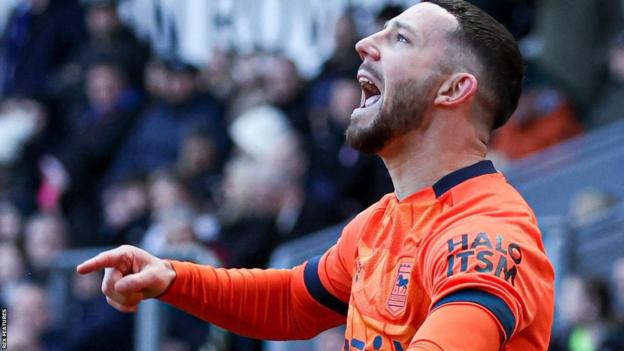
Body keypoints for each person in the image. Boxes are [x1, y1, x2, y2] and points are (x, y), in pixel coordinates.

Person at [77, 1, 555, 350]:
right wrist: (171, 278)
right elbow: (290, 301)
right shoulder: (380, 221)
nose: (364, 44)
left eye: (400, 38)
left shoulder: (486, 233)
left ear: (453, 90)